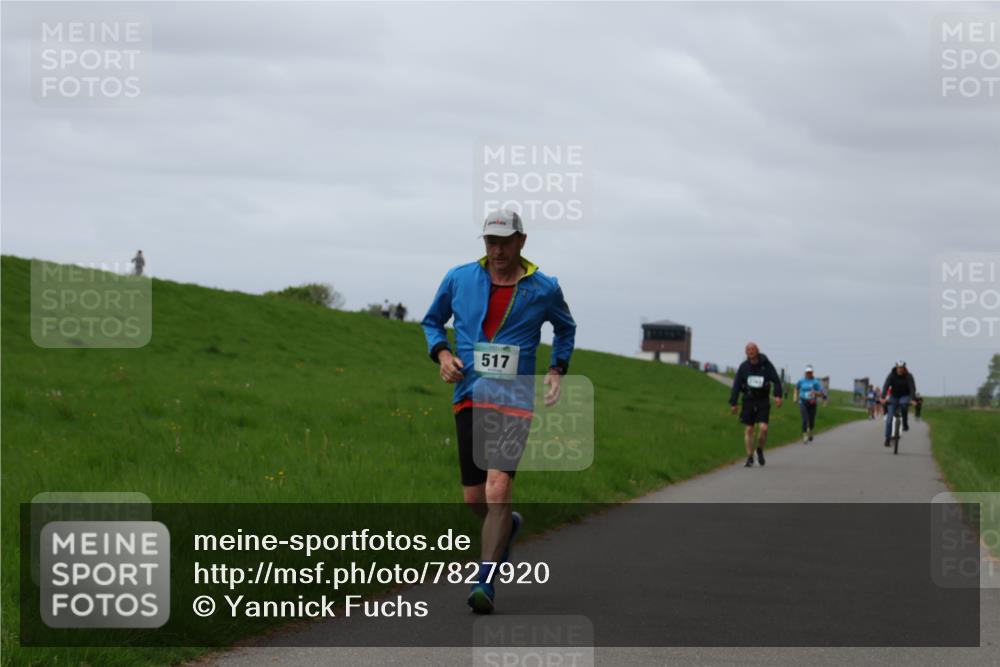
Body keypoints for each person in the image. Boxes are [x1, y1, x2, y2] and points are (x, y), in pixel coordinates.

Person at [421, 208, 576, 614]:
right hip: (470, 394)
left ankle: (484, 583)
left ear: (521, 241)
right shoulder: (459, 278)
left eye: (505, 242)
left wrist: (557, 368)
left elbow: (565, 327)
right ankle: (509, 527)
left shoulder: (543, 287)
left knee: (498, 488)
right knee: (476, 499)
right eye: (491, 242)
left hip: (514, 400)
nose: (498, 249)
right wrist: (441, 354)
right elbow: (432, 321)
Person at [729, 342, 783, 467]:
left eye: (753, 349)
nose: (751, 352)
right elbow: (736, 385)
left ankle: (759, 449)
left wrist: (778, 396)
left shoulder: (766, 365)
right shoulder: (743, 367)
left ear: (757, 350)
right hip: (748, 400)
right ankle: (749, 457)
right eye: (748, 350)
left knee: (764, 428)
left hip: (763, 400)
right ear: (746, 353)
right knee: (749, 429)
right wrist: (733, 403)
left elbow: (776, 380)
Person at [882, 360, 917, 447]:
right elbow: (886, 386)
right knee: (889, 419)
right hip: (894, 397)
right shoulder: (892, 375)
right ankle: (887, 439)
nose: (900, 370)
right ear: (896, 368)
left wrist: (912, 399)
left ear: (904, 368)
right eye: (898, 368)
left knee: (904, 404)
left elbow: (912, 388)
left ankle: (905, 423)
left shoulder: (909, 376)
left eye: (901, 368)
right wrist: (883, 397)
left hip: (905, 396)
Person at [794, 365, 828, 443]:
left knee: (811, 421)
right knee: (805, 419)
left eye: (810, 372)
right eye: (807, 372)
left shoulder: (815, 382)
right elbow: (796, 388)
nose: (808, 373)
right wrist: (795, 397)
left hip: (812, 403)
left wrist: (815, 393)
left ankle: (810, 430)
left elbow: (822, 394)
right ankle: (805, 435)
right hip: (803, 401)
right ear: (805, 373)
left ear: (812, 373)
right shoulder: (801, 381)